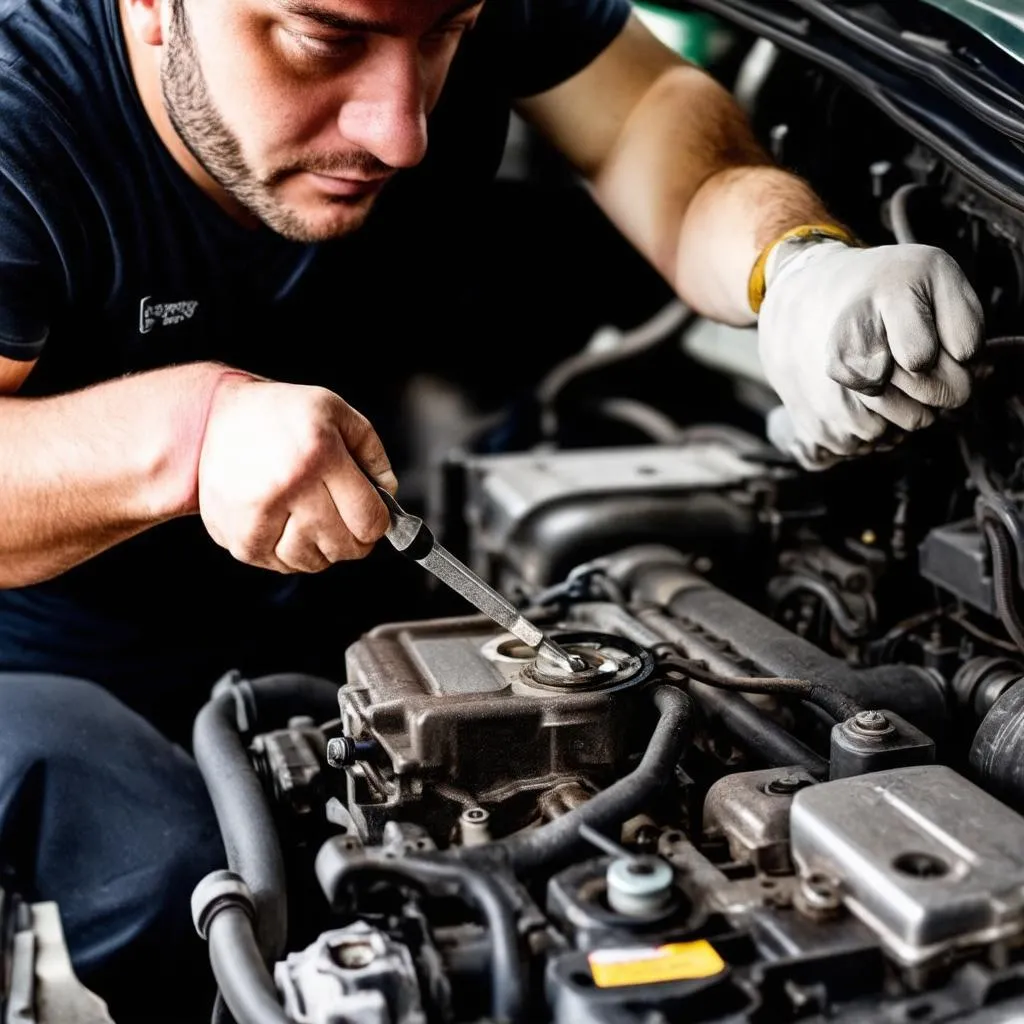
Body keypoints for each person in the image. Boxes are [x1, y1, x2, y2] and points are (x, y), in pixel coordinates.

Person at [0, 0, 984, 1016]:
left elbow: (645, 109)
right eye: (325, 39)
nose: (402, 130)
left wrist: (796, 266)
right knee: (175, 891)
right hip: (58, 665)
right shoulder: (20, 104)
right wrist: (194, 434)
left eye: (443, 37)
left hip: (344, 597)